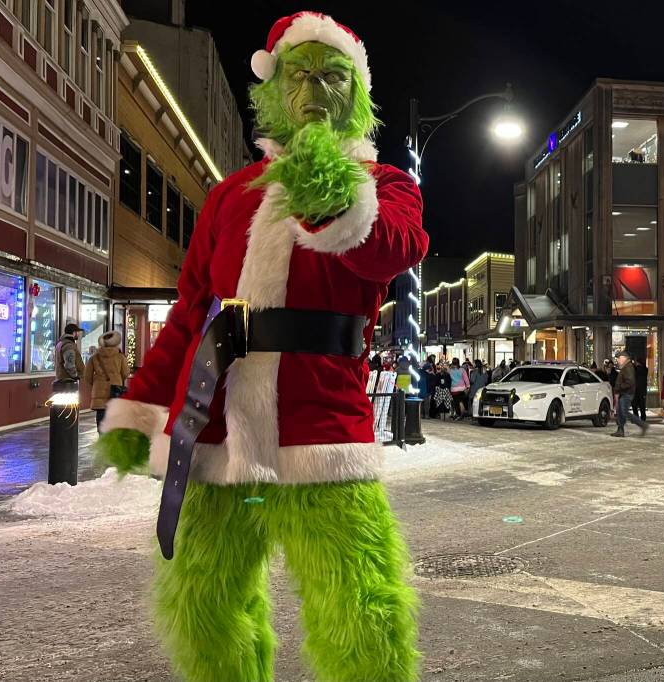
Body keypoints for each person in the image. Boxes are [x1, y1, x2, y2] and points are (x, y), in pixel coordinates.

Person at [95, 13, 424, 681]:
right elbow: (189, 316)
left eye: (334, 76)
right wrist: (140, 407)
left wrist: (330, 191)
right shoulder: (228, 198)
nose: (315, 90)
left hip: (323, 439)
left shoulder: (386, 186)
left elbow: (393, 246)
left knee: (363, 615)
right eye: (300, 74)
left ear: (357, 93)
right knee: (203, 611)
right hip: (218, 435)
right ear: (271, 89)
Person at [83, 330, 130, 432]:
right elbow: (126, 373)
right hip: (115, 392)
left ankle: (102, 441)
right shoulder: (120, 357)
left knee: (101, 420)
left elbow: (87, 376)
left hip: (99, 394)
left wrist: (97, 383)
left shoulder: (94, 358)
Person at [611, 351, 648, 437]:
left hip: (627, 393)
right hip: (625, 393)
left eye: (619, 358)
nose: (618, 361)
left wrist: (619, 387)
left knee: (624, 412)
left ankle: (642, 425)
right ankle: (620, 429)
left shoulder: (628, 367)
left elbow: (630, 382)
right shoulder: (626, 367)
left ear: (624, 358)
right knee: (621, 411)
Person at [632, 356, 648, 420]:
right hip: (642, 389)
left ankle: (636, 416)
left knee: (634, 404)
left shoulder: (636, 369)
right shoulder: (645, 369)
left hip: (636, 389)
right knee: (642, 404)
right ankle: (643, 417)